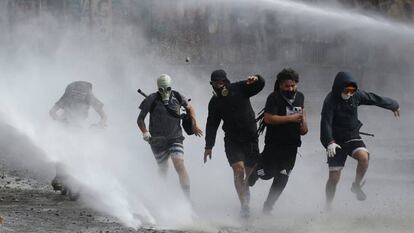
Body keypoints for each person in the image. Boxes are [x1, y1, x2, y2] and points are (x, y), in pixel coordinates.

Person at [320, 71, 400, 209]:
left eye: (352, 90)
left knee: (364, 158)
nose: (349, 93)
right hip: (335, 141)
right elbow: (325, 123)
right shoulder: (330, 100)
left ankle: (356, 186)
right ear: (339, 87)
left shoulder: (356, 95)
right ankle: (328, 206)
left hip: (352, 136)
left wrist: (393, 105)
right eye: (346, 90)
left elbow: (374, 99)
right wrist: (329, 142)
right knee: (334, 178)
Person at [204, 69, 265, 218]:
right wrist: (208, 146)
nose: (218, 86)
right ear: (212, 84)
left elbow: (260, 85)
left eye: (221, 82)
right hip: (232, 140)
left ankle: (247, 192)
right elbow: (212, 124)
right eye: (215, 83)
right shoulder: (214, 103)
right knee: (238, 170)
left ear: (226, 81)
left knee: (250, 175)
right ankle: (244, 205)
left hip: (250, 137)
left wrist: (256, 78)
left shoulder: (240, 88)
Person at [249, 68, 308, 215]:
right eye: (287, 86)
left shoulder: (300, 96)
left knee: (283, 176)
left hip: (291, 146)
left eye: (293, 85)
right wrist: (291, 118)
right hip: (274, 145)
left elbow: (302, 115)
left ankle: (268, 207)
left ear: (297, 85)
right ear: (280, 85)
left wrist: (303, 125)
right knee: (267, 174)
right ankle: (256, 172)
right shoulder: (274, 98)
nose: (290, 89)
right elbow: (268, 118)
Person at [137, 74, 203, 200]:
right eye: (162, 89)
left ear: (170, 87)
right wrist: (145, 132)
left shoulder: (178, 96)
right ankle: (161, 196)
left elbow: (190, 108)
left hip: (175, 138)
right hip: (156, 140)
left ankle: (187, 199)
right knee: (163, 168)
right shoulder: (151, 99)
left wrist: (194, 124)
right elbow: (140, 119)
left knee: (179, 164)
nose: (165, 91)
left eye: (167, 88)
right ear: (158, 88)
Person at [49, 80, 107, 198]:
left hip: (78, 128)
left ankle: (61, 177)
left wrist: (101, 123)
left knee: (78, 152)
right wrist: (101, 123)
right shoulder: (87, 96)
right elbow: (103, 115)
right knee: (63, 152)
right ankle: (59, 177)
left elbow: (52, 112)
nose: (78, 96)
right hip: (70, 127)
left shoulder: (71, 96)